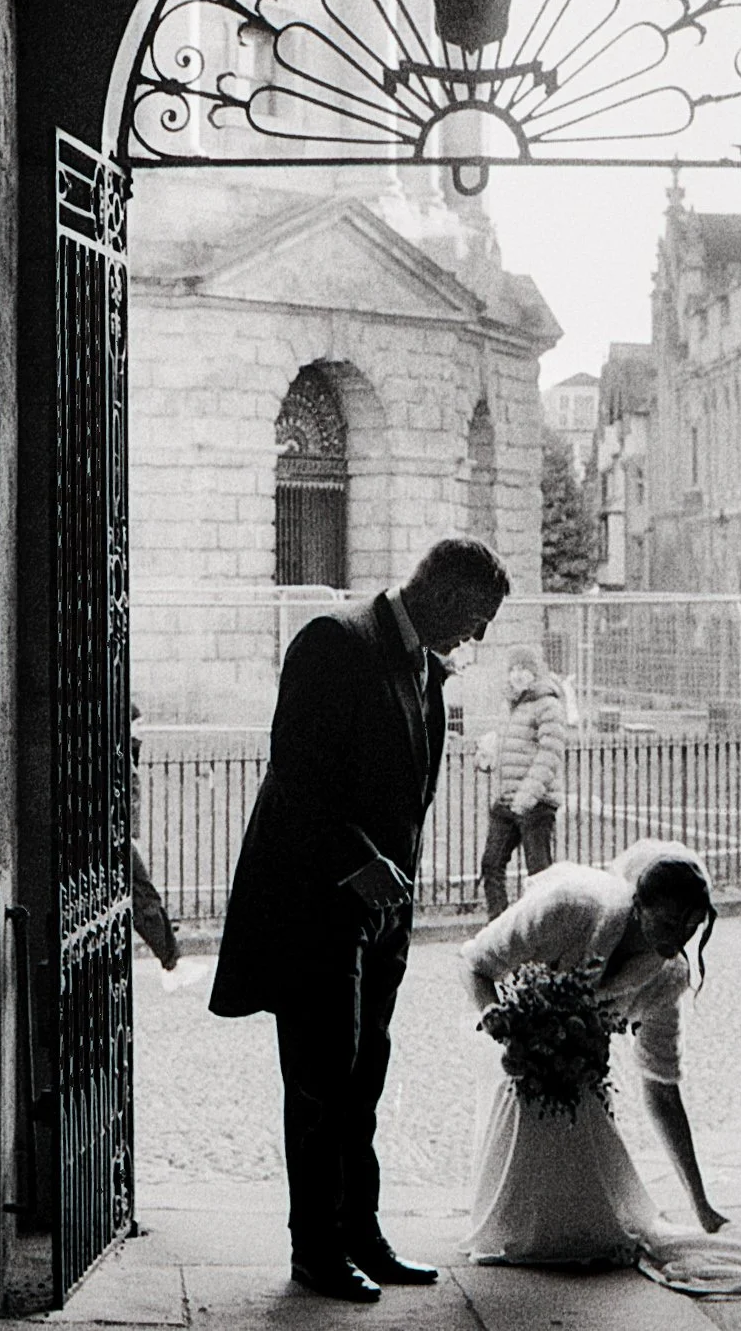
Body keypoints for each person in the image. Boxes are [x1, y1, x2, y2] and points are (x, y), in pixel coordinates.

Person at [210, 536, 511, 1303]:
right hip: (316, 901)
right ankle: (314, 1247)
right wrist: (358, 859)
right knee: (318, 1083)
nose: (472, 639)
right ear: (442, 595)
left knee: (363, 1077)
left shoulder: (424, 668)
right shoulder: (333, 641)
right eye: (473, 620)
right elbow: (295, 771)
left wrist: (394, 889)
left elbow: (406, 793)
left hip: (381, 914)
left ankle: (361, 1232)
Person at [459, 839, 741, 1297]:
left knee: (593, 1228)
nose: (678, 940)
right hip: (516, 1051)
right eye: (669, 922)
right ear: (638, 905)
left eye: (691, 928)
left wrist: (702, 1205)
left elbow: (662, 1087)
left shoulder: (667, 976)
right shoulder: (570, 906)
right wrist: (505, 1025)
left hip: (574, 1075)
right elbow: (475, 963)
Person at [478, 644, 565, 918]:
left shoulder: (548, 704)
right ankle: (500, 934)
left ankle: (545, 941)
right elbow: (509, 749)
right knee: (491, 865)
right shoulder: (510, 705)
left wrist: (527, 797)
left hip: (536, 803)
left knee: (539, 875)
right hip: (507, 802)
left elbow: (549, 755)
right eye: (513, 669)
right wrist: (487, 759)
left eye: (524, 670)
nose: (517, 675)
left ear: (535, 673)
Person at [130, 706, 180, 970]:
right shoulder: (120, 757)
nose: (142, 732)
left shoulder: (126, 753)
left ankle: (171, 958)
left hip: (123, 839)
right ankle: (171, 960)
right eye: (137, 725)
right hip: (121, 842)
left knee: (143, 896)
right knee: (143, 895)